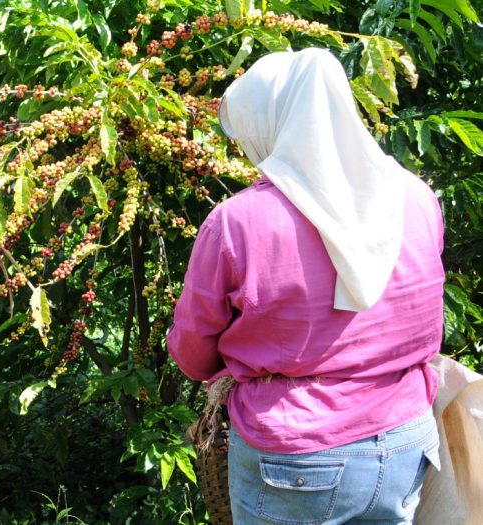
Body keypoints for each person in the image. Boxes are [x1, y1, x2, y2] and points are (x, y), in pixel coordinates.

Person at [168, 48, 444, 524]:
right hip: (404, 438)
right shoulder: (417, 198)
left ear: (271, 122)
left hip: (296, 455)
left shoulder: (237, 223)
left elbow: (193, 356)